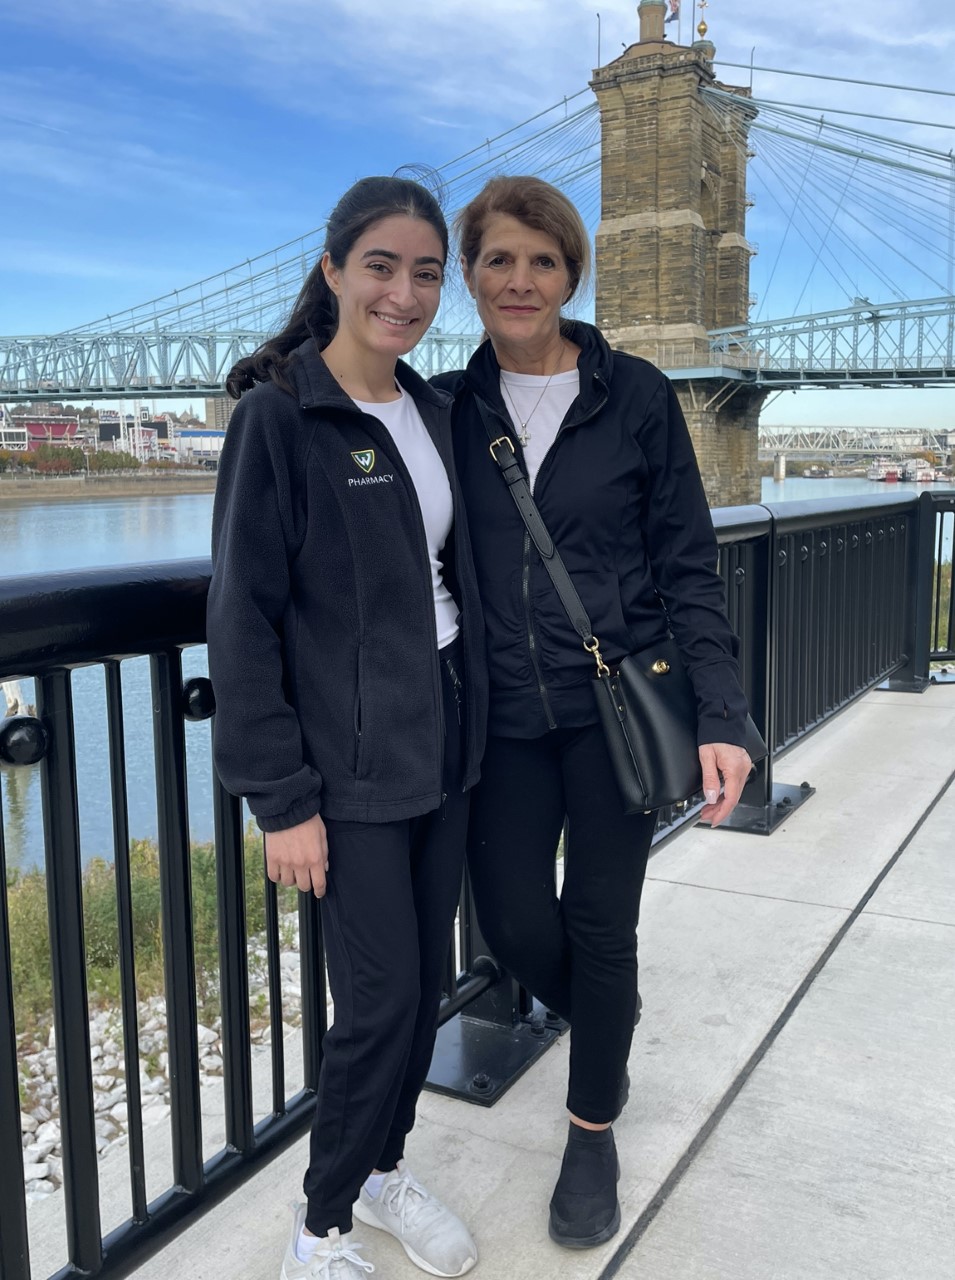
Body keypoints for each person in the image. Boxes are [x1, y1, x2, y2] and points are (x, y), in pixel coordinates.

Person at [436, 175, 753, 1250]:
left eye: (543, 260)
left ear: (572, 274)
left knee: (600, 924)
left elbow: (688, 564)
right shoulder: (446, 406)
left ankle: (590, 1127)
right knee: (518, 920)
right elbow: (341, 399)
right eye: (497, 259)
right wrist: (278, 370)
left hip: (616, 705)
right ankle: (605, 1022)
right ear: (468, 275)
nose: (519, 280)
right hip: (505, 716)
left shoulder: (638, 396)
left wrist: (725, 714)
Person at [207, 175, 487, 1280]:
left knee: (422, 988)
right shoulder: (281, 417)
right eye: (382, 265)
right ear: (331, 271)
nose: (405, 292)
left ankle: (382, 1172)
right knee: (375, 1001)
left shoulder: (434, 412)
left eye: (425, 272)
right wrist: (281, 798)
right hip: (348, 767)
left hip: (446, 741)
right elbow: (243, 618)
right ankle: (318, 1227)